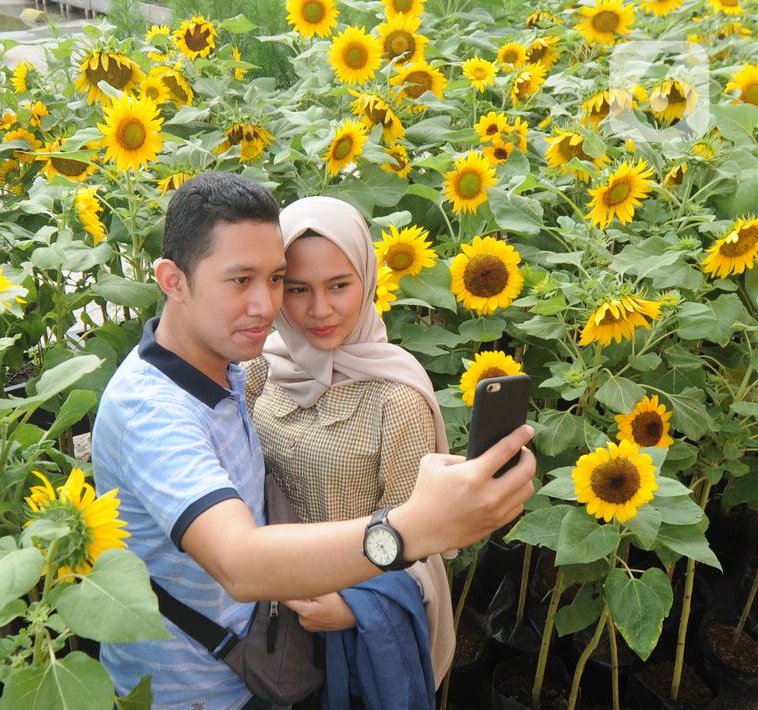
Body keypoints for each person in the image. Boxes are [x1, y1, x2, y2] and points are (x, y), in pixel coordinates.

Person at [90, 172, 536, 710]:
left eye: (275, 278)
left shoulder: (230, 366)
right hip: (200, 688)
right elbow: (241, 562)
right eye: (240, 280)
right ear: (172, 280)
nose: (266, 305)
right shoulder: (158, 411)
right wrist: (413, 528)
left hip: (274, 654)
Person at [245, 196, 453, 707]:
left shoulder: (397, 398)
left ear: (368, 278)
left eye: (339, 285)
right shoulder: (261, 368)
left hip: (353, 632)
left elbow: (421, 533)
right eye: (297, 289)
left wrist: (354, 606)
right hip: (266, 623)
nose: (319, 310)